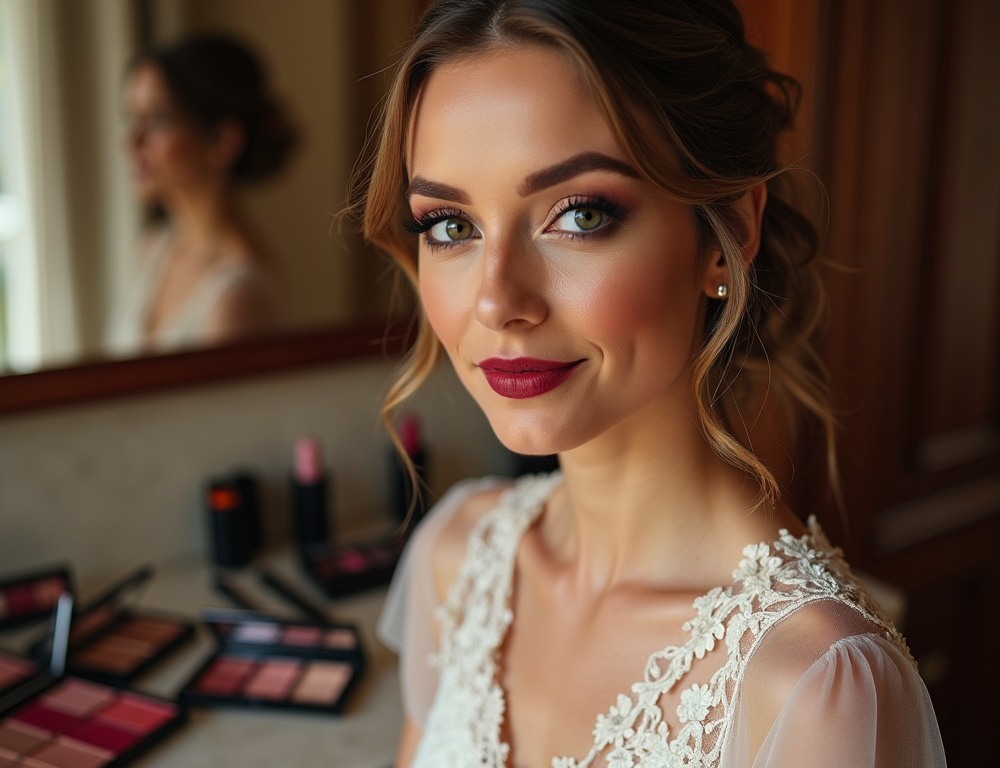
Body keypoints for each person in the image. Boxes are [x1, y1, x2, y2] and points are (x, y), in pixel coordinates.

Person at [361, 1, 947, 766]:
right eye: (450, 225)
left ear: (729, 232)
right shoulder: (457, 559)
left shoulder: (813, 684)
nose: (497, 301)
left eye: (579, 215)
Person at [107, 34, 296, 356]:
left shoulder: (237, 301)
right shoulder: (153, 249)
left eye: (158, 119)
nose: (132, 141)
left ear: (223, 141)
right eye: (132, 118)